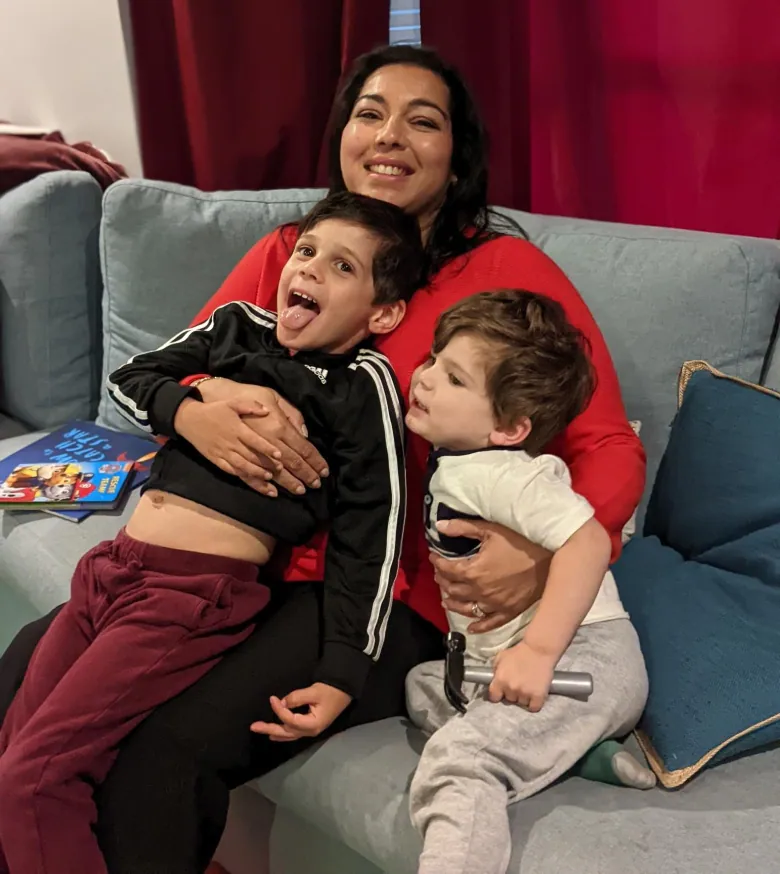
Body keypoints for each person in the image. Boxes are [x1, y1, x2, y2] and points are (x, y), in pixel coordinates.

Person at [0, 44, 652, 873]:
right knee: (21, 672)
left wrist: (541, 555)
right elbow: (177, 374)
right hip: (231, 565)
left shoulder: (506, 273)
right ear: (343, 135)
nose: (391, 136)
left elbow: (605, 445)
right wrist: (190, 411)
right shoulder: (291, 252)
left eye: (425, 121)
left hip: (384, 587)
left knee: (162, 750)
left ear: (457, 160)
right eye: (370, 113)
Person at [0, 191, 423, 874]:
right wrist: (199, 397)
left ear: (384, 313)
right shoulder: (235, 326)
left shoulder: (360, 385)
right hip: (114, 567)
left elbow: (370, 537)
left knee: (35, 776)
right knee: (15, 753)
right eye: (307, 251)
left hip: (190, 597)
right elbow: (134, 380)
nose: (310, 270)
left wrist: (344, 670)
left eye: (343, 267)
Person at [402, 289, 648, 874]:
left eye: (455, 380)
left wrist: (539, 651)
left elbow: (587, 541)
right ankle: (577, 755)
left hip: (582, 660)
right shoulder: (462, 460)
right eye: (434, 359)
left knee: (458, 759)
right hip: (514, 669)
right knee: (422, 684)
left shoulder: (504, 475)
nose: (427, 378)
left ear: (511, 429)